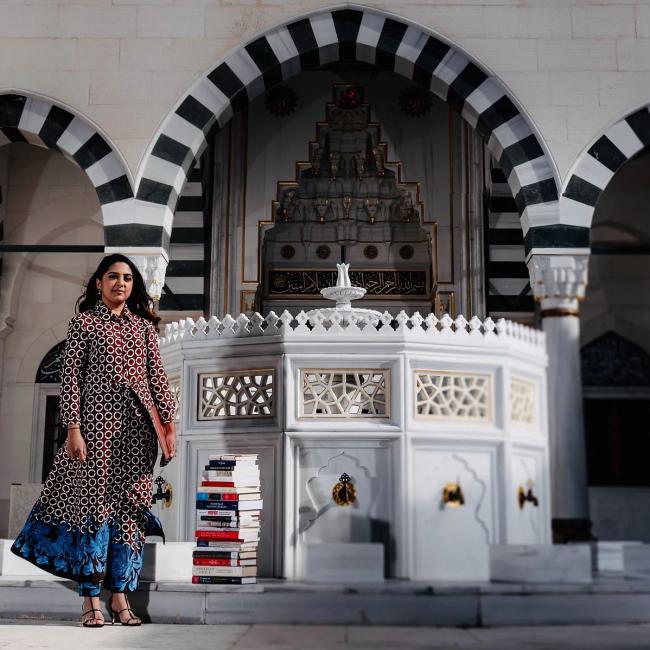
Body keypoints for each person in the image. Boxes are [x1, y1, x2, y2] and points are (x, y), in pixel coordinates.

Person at [11, 254, 177, 627]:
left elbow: (158, 379)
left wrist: (169, 426)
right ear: (99, 283)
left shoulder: (143, 328)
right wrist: (73, 428)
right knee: (95, 511)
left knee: (131, 514)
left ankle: (120, 597)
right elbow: (70, 379)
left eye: (128, 278)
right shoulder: (85, 324)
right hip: (96, 431)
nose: (121, 283)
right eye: (113, 276)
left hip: (138, 436)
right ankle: (90, 600)